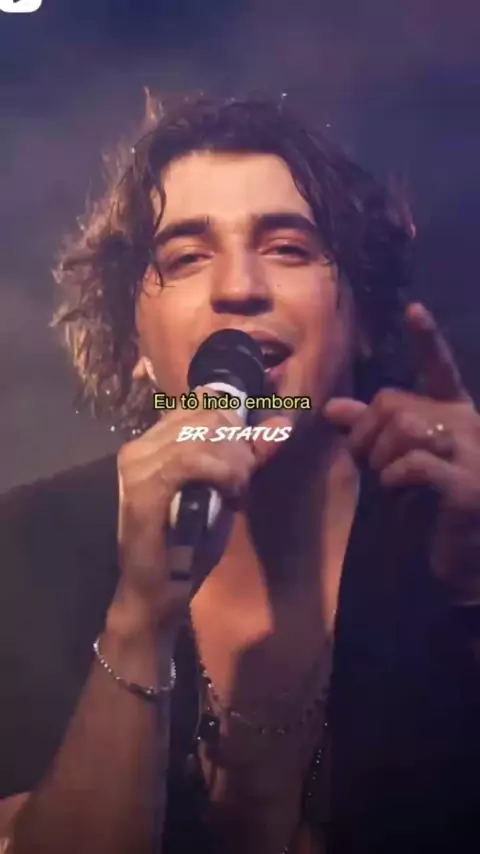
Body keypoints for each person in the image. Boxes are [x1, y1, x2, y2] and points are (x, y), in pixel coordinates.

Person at [0, 92, 479, 854]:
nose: (239, 286)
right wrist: (140, 617)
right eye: (187, 257)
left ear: (360, 319)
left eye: (288, 248)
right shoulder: (26, 548)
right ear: (137, 345)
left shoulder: (448, 527)